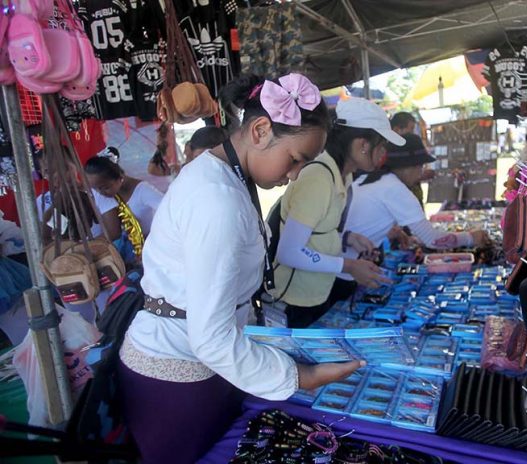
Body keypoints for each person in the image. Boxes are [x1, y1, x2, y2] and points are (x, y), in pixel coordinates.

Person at [117, 73, 362, 464]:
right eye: (296, 160)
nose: (294, 175)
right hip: (176, 371)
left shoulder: (225, 177)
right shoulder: (217, 200)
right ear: (261, 130)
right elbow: (210, 338)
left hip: (195, 359)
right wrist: (299, 376)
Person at [270, 98, 403, 328]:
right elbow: (289, 252)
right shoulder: (319, 178)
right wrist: (349, 266)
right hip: (294, 301)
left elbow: (315, 230)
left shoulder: (343, 175)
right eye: (381, 145)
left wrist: (348, 238)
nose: (383, 153)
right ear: (362, 144)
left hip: (317, 291)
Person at [331, 134, 490, 304]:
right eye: (420, 166)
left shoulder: (370, 179)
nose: (421, 172)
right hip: (343, 271)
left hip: (338, 262)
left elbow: (361, 218)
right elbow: (433, 240)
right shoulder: (395, 188)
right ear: (408, 167)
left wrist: (392, 230)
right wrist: (472, 237)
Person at [85, 156, 163, 263]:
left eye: (105, 187)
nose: (101, 193)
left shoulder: (143, 191)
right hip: (130, 250)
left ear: (119, 177)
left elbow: (169, 211)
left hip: (152, 247)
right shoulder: (111, 196)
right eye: (96, 189)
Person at [390, 112, 434, 207]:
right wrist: (421, 176)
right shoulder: (389, 154)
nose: (413, 134)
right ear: (396, 130)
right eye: (411, 130)